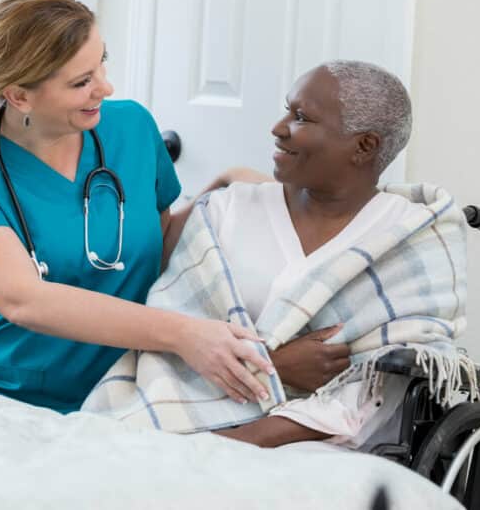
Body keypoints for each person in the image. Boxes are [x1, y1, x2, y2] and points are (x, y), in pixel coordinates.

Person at [0, 0, 288, 414]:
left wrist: (220, 193)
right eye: (81, 82)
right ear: (19, 95)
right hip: (16, 402)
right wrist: (185, 334)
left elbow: (156, 246)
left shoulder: (131, 127)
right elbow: (23, 299)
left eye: (101, 62)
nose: (105, 88)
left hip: (135, 397)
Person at [170, 60, 422, 449]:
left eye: (301, 117)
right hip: (193, 419)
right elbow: (170, 328)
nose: (277, 128)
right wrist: (275, 365)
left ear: (364, 146)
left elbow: (373, 393)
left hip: (332, 450)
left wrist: (225, 446)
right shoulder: (227, 210)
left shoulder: (408, 237)